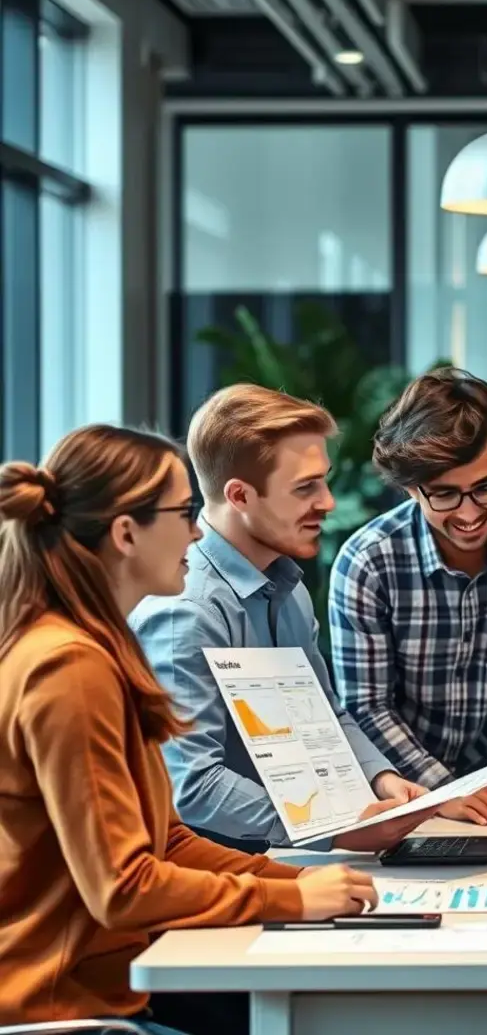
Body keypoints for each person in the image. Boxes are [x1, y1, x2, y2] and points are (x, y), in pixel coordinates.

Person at [0, 425, 377, 1030]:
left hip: (99, 1000)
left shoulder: (98, 648)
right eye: (182, 513)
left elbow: (165, 840)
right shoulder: (68, 667)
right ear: (126, 534)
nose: (199, 530)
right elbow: (124, 888)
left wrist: (301, 879)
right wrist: (293, 898)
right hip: (66, 1015)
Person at [132, 385, 432, 855]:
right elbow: (191, 783)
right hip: (203, 874)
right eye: (305, 487)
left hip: (279, 858)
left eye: (324, 481)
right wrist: (334, 830)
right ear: (240, 495)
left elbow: (325, 716)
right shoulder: (185, 612)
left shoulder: (287, 590)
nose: (328, 502)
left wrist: (382, 779)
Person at [329, 367, 487, 826]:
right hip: (393, 788)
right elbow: (366, 704)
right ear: (411, 487)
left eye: (486, 487)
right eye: (445, 495)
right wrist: (441, 790)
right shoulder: (368, 562)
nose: (469, 514)